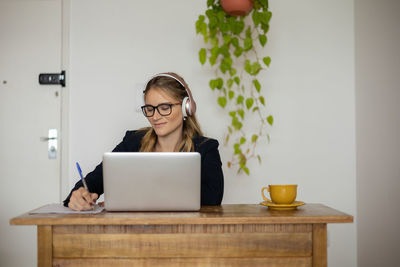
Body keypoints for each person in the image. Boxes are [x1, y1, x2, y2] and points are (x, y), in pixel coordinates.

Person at [64, 72, 224, 211]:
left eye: (164, 107)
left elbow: (212, 200)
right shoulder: (133, 142)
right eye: (149, 108)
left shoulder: (205, 149)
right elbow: (92, 182)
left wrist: (135, 199)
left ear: (186, 107)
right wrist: (79, 196)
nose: (154, 116)